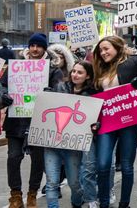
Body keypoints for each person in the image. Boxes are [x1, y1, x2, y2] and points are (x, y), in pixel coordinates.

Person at [92, 35, 137, 208]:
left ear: (117, 47)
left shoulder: (134, 61)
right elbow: (92, 92)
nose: (103, 53)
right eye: (101, 50)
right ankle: (103, 203)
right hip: (107, 122)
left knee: (126, 166)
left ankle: (124, 204)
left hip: (130, 121)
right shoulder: (99, 68)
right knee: (103, 165)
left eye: (106, 49)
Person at [4, 33, 64, 208]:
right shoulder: (15, 66)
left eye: (39, 46)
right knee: (13, 157)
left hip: (39, 121)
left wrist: (50, 92)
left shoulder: (53, 70)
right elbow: (1, 86)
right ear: (28, 47)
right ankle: (15, 195)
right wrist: (4, 96)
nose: (35, 49)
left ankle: (32, 194)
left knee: (37, 160)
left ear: (44, 48)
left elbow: (60, 91)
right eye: (32, 46)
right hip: (16, 119)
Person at [45, 61, 98, 208]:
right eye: (73, 71)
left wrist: (95, 125)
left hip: (73, 145)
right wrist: (46, 96)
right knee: (51, 183)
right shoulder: (59, 87)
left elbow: (95, 118)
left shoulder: (92, 94)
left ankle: (76, 203)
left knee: (74, 183)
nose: (75, 75)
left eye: (80, 72)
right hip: (53, 143)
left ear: (88, 76)